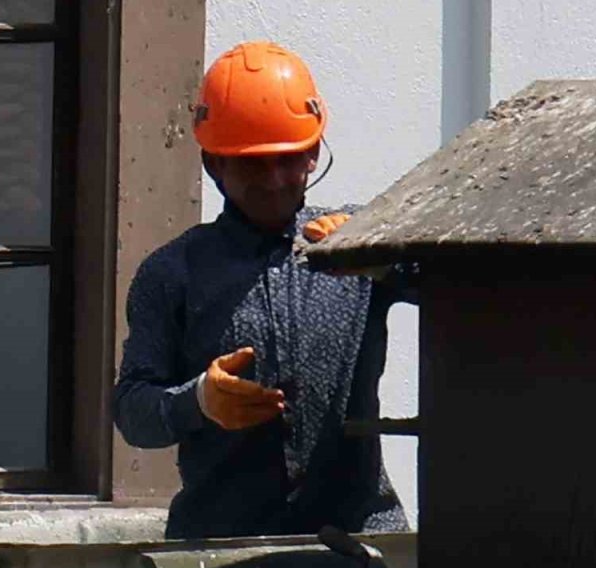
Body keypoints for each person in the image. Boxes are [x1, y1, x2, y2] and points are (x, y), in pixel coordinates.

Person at [114, 41, 409, 539]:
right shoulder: (173, 273)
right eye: (253, 164)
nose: (274, 180)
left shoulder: (358, 243)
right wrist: (198, 401)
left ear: (313, 153)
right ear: (214, 164)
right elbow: (132, 411)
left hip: (357, 540)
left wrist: (381, 255)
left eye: (288, 159)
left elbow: (462, 289)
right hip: (223, 548)